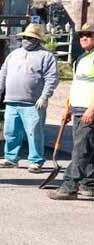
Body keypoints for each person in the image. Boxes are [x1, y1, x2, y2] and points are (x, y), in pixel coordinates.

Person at [0, 23, 59, 173]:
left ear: (37, 40)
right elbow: (3, 73)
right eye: (24, 37)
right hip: (11, 101)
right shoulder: (14, 54)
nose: (26, 40)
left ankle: (36, 160)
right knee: (10, 131)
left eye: (30, 38)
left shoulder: (46, 56)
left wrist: (44, 96)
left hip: (33, 103)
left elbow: (52, 78)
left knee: (34, 132)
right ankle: (10, 158)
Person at [49, 23, 94, 200]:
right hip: (78, 108)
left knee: (80, 150)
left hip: (88, 110)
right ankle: (89, 183)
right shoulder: (82, 58)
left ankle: (70, 186)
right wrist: (68, 107)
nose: (84, 37)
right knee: (88, 148)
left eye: (88, 35)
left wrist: (91, 109)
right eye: (82, 34)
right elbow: (77, 85)